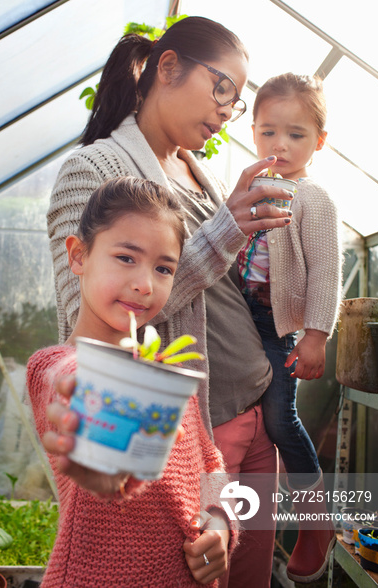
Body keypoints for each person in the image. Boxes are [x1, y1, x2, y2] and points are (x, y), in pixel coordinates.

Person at [47, 16, 295, 587]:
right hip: (206, 423)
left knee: (246, 568)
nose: (228, 110)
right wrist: (225, 230)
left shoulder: (196, 169)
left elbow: (222, 288)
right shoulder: (94, 169)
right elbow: (86, 328)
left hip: (255, 409)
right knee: (201, 569)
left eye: (236, 100)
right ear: (167, 67)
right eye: (222, 87)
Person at [27, 176, 236, 587]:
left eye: (163, 268)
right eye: (126, 257)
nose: (145, 284)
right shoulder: (53, 365)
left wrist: (221, 527)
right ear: (78, 255)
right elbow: (67, 381)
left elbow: (211, 467)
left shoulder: (167, 375)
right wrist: (98, 420)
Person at [237, 73, 342, 582]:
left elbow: (325, 270)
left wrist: (317, 334)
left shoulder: (313, 199)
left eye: (296, 135)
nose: (280, 145)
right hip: (238, 317)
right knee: (246, 421)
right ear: (253, 131)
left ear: (319, 142)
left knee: (280, 418)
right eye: (268, 132)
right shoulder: (249, 187)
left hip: (276, 322)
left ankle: (315, 519)